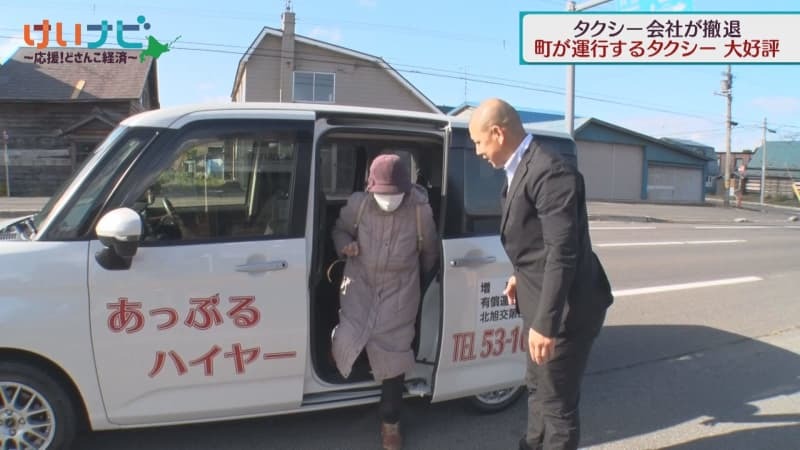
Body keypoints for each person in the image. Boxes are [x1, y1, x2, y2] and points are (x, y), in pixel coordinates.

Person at [468, 98, 613, 450]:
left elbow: (564, 252)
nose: (477, 152)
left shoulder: (550, 171)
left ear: (498, 133)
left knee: (557, 405)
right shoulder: (521, 168)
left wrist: (546, 325)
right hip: (541, 305)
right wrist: (521, 275)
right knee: (536, 388)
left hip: (565, 314)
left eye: (478, 142)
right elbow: (539, 245)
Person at [330, 153, 438, 450]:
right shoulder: (359, 204)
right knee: (350, 338)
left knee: (393, 357)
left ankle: (390, 423)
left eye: (396, 194)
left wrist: (421, 286)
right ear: (371, 188)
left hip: (400, 293)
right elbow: (338, 230)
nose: (389, 200)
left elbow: (430, 253)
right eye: (382, 194)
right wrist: (345, 246)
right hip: (360, 287)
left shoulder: (420, 211)